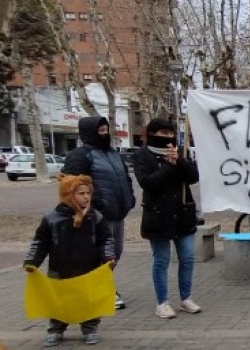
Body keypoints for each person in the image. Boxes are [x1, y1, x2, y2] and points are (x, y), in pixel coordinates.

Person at [24, 174, 116, 347]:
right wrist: (32, 261)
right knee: (59, 301)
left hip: (88, 269)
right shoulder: (52, 218)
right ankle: (56, 329)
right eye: (81, 193)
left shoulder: (95, 217)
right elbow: (40, 242)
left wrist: (109, 257)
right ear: (68, 195)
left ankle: (90, 328)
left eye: (88, 193)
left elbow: (106, 240)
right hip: (59, 269)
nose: (86, 197)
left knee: (88, 300)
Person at [62, 116, 135, 310]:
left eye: (106, 130)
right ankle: (101, 289)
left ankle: (100, 285)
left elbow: (125, 178)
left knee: (115, 252)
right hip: (96, 214)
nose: (105, 134)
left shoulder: (113, 154)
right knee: (99, 253)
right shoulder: (80, 155)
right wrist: (97, 203)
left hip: (118, 212)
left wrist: (129, 198)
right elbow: (72, 184)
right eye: (101, 130)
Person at [132, 118, 202, 319]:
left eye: (170, 133)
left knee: (187, 257)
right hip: (158, 215)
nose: (168, 137)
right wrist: (169, 167)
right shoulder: (142, 156)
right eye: (163, 133)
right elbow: (148, 183)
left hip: (183, 213)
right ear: (152, 134)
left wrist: (179, 162)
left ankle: (186, 298)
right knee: (161, 260)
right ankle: (162, 302)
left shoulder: (179, 152)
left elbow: (194, 176)